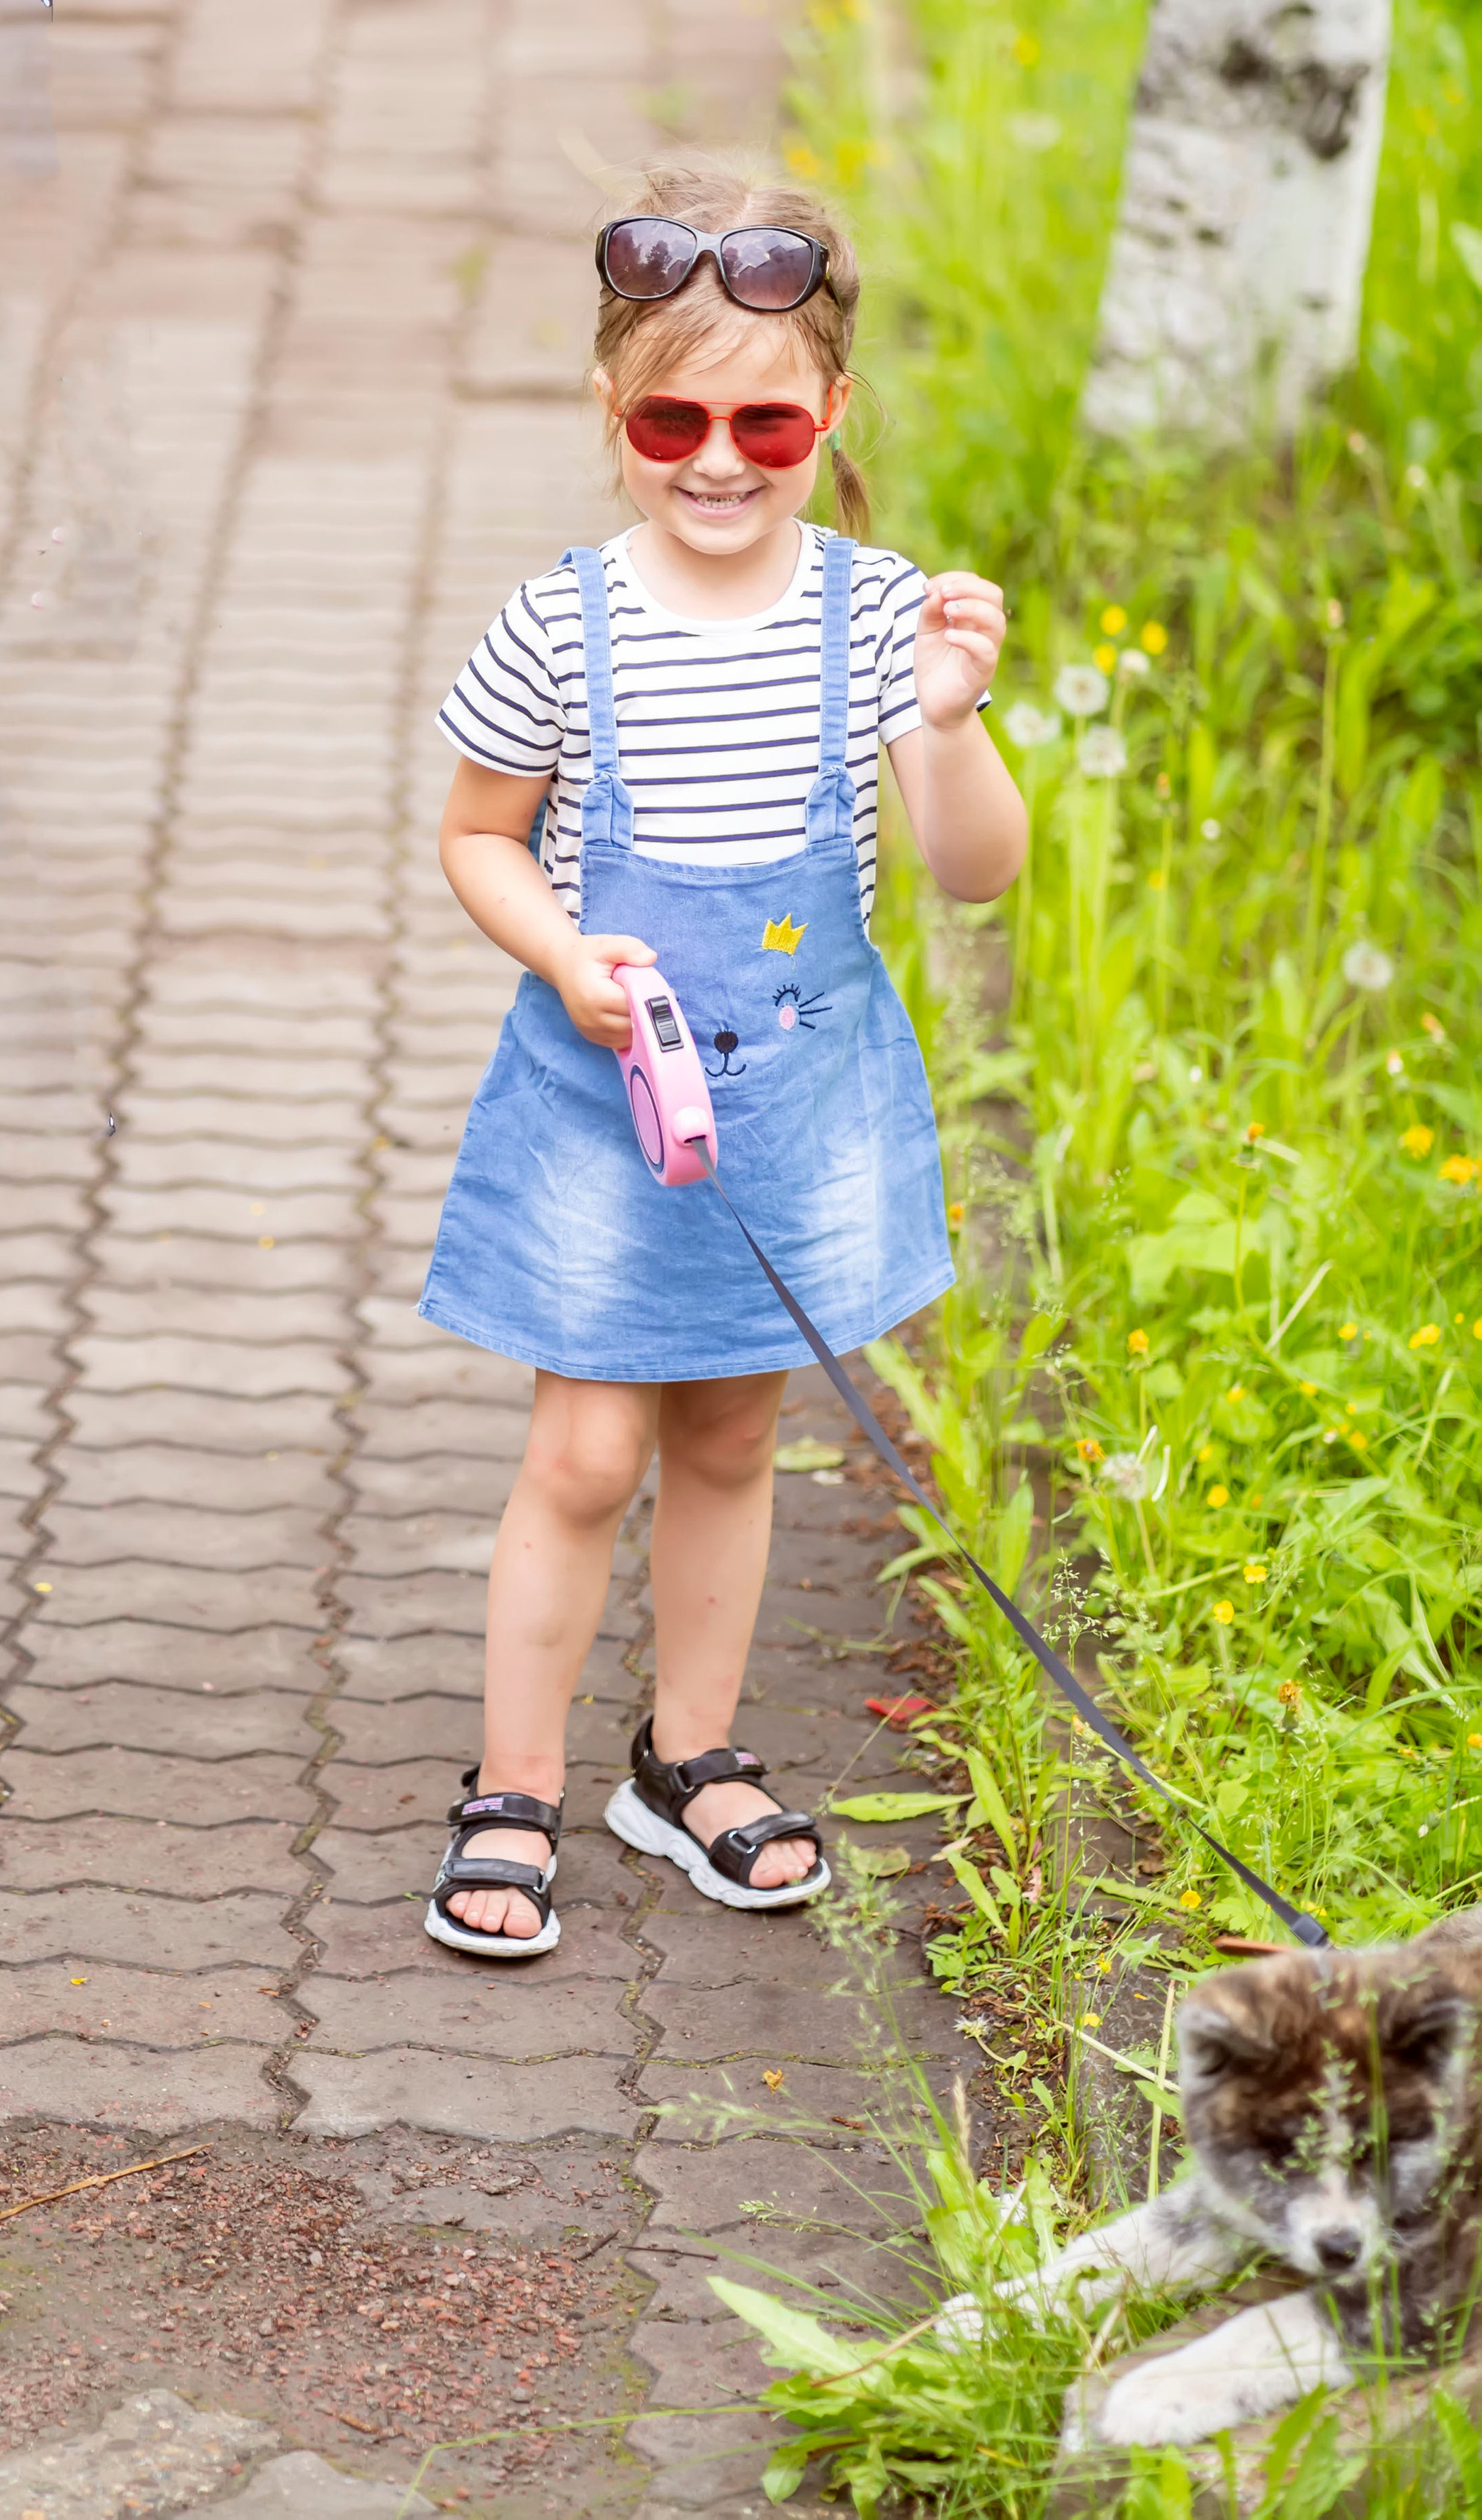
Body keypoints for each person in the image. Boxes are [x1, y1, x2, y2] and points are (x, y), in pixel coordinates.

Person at [418, 165, 1027, 1958]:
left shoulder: (875, 618)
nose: (718, 457)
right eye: (674, 416)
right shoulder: (563, 624)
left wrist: (958, 720)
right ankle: (513, 1781)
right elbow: (474, 839)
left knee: (738, 1435)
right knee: (587, 1454)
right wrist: (561, 953)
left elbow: (975, 871)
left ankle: (686, 1757)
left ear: (828, 418)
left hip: (796, 1105)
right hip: (610, 1104)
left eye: (765, 419)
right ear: (615, 413)